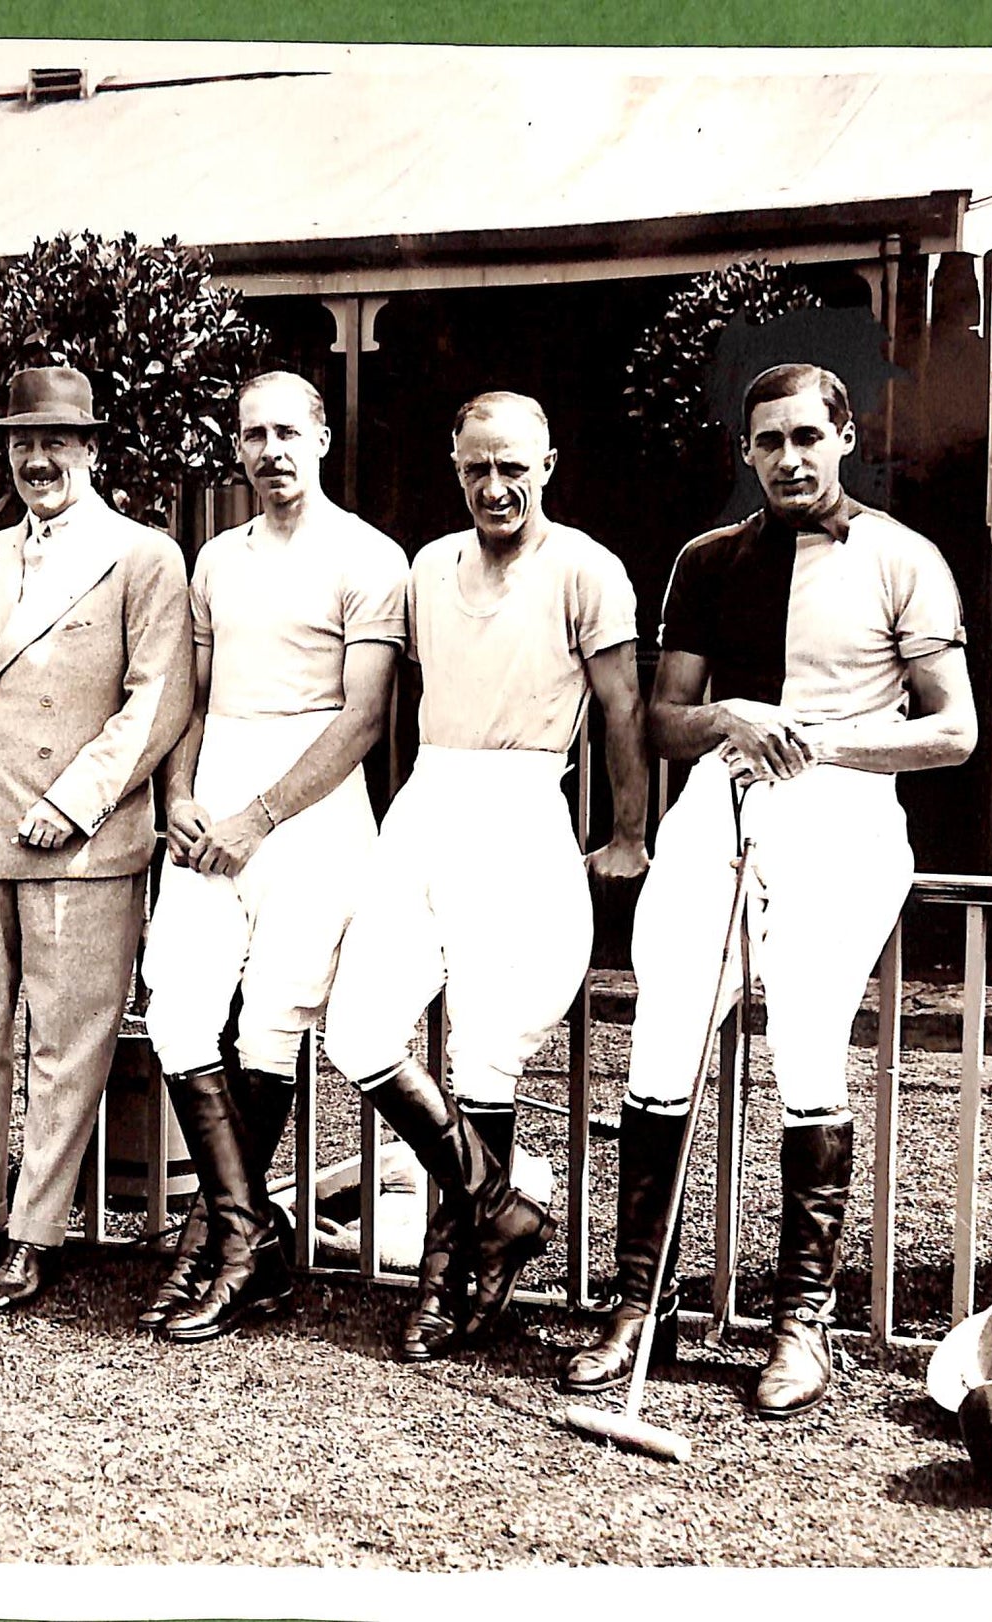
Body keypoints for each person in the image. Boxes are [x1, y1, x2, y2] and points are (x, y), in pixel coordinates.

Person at [560, 363, 975, 1417]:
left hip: (843, 812)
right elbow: (664, 720)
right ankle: (636, 1307)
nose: (787, 459)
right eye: (767, 442)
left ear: (844, 436)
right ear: (744, 451)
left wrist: (822, 741)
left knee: (805, 1047)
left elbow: (952, 730)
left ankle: (800, 1323)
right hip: (721, 800)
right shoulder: (708, 559)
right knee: (662, 1037)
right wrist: (732, 719)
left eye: (806, 437)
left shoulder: (902, 557)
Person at [322, 390, 649, 1359]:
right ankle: (499, 1207)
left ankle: (446, 1282)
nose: (494, 485)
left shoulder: (586, 567)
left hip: (521, 800)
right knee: (357, 1029)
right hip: (428, 800)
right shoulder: (428, 566)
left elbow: (622, 709)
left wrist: (627, 832)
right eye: (476, 467)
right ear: (454, 465)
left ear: (547, 464)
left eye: (512, 466)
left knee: (484, 1055)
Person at [0, 365, 193, 1315]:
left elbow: (158, 699)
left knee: (65, 1045)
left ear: (91, 450)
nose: (38, 460)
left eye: (56, 441)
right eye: (22, 443)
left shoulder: (144, 556)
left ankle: (34, 1232)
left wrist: (78, 800)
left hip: (83, 842)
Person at [134, 371, 407, 1343]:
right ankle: (244, 1240)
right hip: (216, 793)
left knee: (270, 1026)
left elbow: (362, 716)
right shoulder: (217, 558)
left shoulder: (369, 557)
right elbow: (195, 697)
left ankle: (222, 1250)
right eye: (253, 435)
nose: (270, 451)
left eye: (287, 431)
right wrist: (179, 797)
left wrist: (260, 816)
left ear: (322, 438)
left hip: (312, 809)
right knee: (178, 1011)